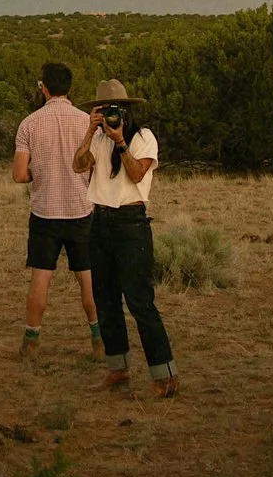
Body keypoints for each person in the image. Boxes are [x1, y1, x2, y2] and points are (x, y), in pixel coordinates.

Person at [71, 80, 176, 395]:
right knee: (104, 300)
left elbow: (136, 173)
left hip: (131, 225)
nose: (110, 115)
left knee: (140, 302)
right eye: (103, 110)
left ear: (127, 111)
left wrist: (120, 142)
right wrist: (90, 132)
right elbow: (78, 166)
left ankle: (165, 375)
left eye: (114, 110)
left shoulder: (144, 138)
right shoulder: (98, 139)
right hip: (99, 222)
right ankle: (117, 369)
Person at [13, 61, 102, 359]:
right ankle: (98, 337)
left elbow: (19, 174)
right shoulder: (85, 122)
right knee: (88, 277)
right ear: (70, 88)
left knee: (41, 277)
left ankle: (32, 340)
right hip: (81, 209)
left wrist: (42, 174)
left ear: (44, 87)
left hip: (45, 212)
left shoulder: (29, 124)